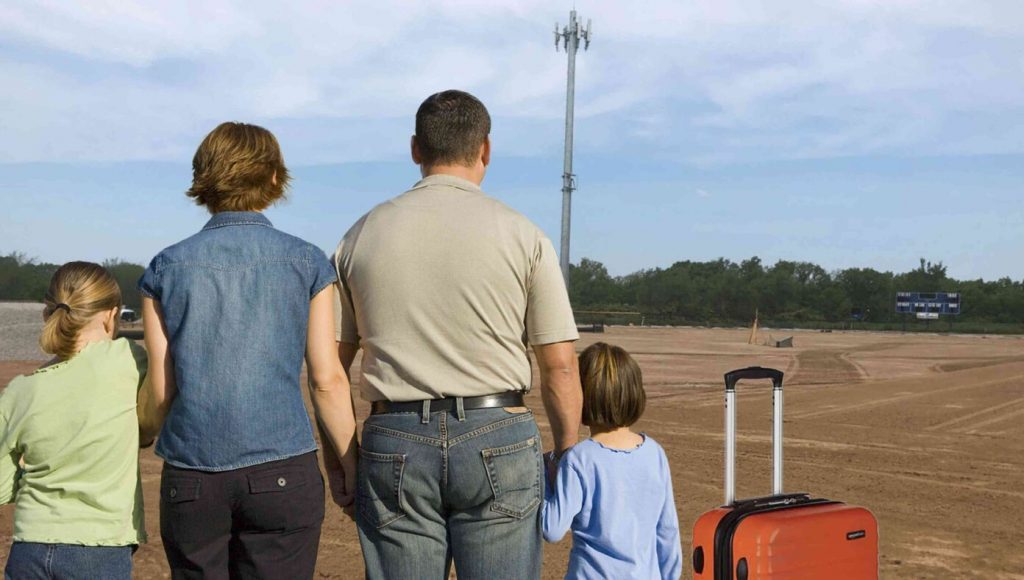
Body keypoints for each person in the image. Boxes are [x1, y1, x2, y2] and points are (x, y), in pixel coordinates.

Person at [333, 89, 583, 580]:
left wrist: (343, 461)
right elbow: (560, 365)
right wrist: (567, 456)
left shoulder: (359, 235)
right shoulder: (524, 234)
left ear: (415, 149)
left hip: (395, 438)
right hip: (500, 435)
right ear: (485, 149)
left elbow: (330, 369)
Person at [137, 122, 358, 579]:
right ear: (275, 178)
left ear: (204, 178)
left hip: (191, 475)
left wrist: (143, 433)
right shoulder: (307, 262)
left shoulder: (165, 267)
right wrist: (349, 463)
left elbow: (162, 387)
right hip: (281, 469)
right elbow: (326, 378)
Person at [0, 262, 147, 579]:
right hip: (98, 549)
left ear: (47, 315)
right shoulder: (127, 360)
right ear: (111, 316)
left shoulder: (20, 391)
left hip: (29, 546)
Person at [542, 342, 683, 580]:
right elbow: (667, 533)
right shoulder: (655, 453)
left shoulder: (579, 459)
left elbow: (552, 529)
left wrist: (543, 473)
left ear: (581, 396)